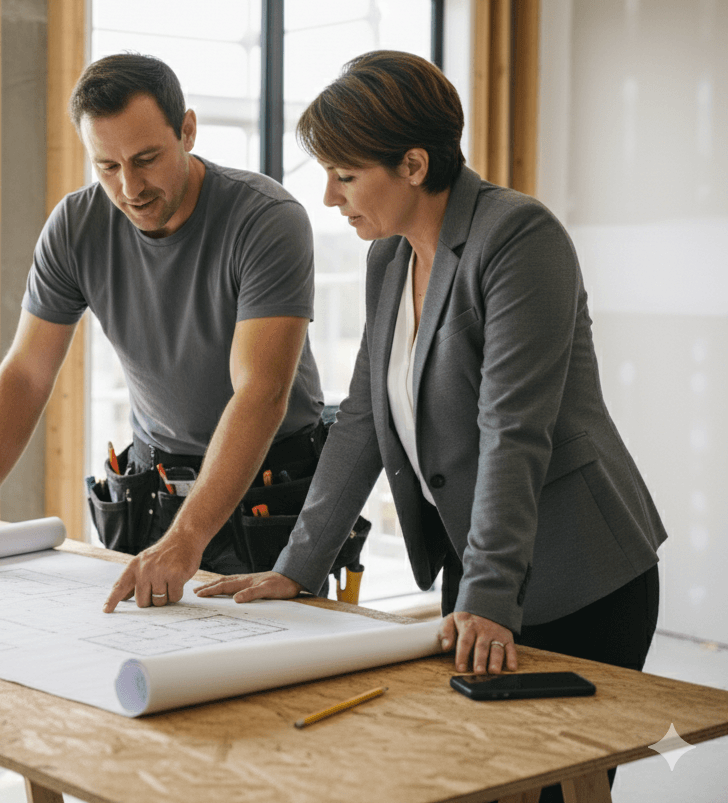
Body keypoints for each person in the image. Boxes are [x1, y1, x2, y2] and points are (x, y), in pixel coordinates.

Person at [198, 50, 666, 732]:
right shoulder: (388, 257)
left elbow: (514, 429)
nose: (330, 196)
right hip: (478, 561)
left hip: (577, 572)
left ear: (414, 165)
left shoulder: (517, 237)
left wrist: (489, 596)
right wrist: (297, 567)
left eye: (345, 175)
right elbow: (360, 420)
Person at [0, 53, 328, 612]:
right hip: (157, 480)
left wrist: (188, 537)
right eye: (107, 166)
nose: (130, 188)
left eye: (147, 159)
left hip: (271, 483)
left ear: (187, 130)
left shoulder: (265, 219)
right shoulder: (76, 227)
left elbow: (261, 392)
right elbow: (26, 373)